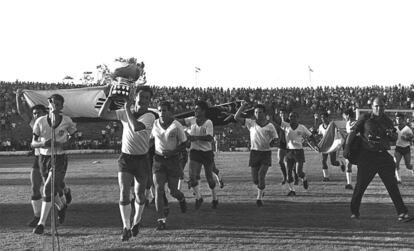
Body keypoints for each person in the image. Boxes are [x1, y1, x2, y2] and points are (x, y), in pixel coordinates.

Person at [98, 86, 155, 241]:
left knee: (139, 194)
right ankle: (126, 227)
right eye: (141, 96)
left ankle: (136, 221)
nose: (143, 100)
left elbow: (136, 127)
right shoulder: (126, 111)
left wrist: (126, 108)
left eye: (146, 98)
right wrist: (109, 98)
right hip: (126, 158)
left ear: (149, 101)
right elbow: (102, 114)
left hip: (142, 159)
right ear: (135, 97)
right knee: (124, 192)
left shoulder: (150, 116)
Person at [344, 96, 409, 220]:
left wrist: (392, 135)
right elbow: (352, 132)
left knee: (392, 185)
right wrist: (347, 147)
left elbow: (395, 137)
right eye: (377, 106)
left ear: (384, 107)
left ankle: (401, 211)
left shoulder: (388, 120)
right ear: (372, 107)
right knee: (360, 186)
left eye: (382, 106)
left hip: (383, 156)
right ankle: (354, 211)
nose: (379, 108)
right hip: (367, 156)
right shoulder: (365, 118)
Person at [16, 90, 73, 227]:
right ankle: (38, 216)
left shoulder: (58, 120)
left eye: (38, 113)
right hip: (40, 158)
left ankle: (64, 194)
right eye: (34, 114)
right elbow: (22, 112)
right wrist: (18, 97)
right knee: (36, 187)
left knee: (54, 187)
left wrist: (64, 143)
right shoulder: (36, 123)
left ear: (44, 111)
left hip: (56, 157)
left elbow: (71, 135)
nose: (35, 116)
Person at [31, 94, 77, 234]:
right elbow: (33, 143)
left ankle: (41, 224)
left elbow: (73, 138)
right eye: (53, 103)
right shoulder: (40, 121)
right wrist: (43, 143)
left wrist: (64, 144)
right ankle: (62, 207)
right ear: (49, 104)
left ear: (62, 106)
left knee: (47, 189)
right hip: (43, 158)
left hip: (59, 158)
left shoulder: (67, 121)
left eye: (58, 104)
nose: (55, 106)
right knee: (52, 190)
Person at [151, 101, 188, 230]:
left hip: (173, 160)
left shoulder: (176, 125)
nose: (162, 113)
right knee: (158, 189)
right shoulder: (154, 124)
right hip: (158, 160)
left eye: (164, 110)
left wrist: (173, 151)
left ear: (170, 111)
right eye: (160, 110)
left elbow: (184, 143)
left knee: (173, 191)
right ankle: (161, 220)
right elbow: (150, 140)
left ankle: (182, 198)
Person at [234, 101, 278, 206]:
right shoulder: (251, 123)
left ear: (265, 113)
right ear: (254, 113)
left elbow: (276, 138)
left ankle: (259, 198)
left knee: (261, 175)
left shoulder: (270, 126)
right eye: (257, 112)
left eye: (261, 112)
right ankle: (261, 190)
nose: (259, 114)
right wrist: (242, 106)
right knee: (255, 180)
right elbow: (236, 117)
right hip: (254, 153)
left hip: (265, 153)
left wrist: (274, 142)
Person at [179, 100, 218, 209]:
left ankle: (215, 197)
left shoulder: (208, 122)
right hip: (195, 151)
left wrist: (195, 138)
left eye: (197, 109)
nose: (195, 111)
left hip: (206, 153)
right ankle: (199, 197)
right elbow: (180, 121)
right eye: (195, 109)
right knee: (193, 176)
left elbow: (210, 137)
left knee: (209, 178)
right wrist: (170, 118)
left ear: (204, 111)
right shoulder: (192, 120)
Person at [283, 111, 314, 196]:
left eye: (294, 116)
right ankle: (292, 190)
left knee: (298, 172)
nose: (292, 118)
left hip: (299, 151)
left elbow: (311, 136)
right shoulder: (286, 126)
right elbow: (276, 120)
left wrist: (316, 145)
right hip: (289, 151)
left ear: (297, 118)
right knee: (288, 173)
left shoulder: (302, 127)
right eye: (290, 116)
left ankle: (304, 178)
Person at [317, 112, 345, 182]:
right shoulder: (320, 126)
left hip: (332, 145)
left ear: (327, 117)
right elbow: (320, 136)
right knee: (323, 161)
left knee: (333, 162)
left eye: (324, 117)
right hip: (325, 145)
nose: (323, 119)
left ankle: (341, 163)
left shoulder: (332, 125)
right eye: (322, 118)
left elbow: (338, 132)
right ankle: (326, 177)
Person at [273, 108, 299, 185]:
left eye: (284, 113)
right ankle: (285, 177)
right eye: (281, 113)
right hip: (281, 143)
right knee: (280, 161)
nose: (282, 115)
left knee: (292, 163)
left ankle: (296, 178)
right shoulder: (280, 122)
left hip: (290, 144)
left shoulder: (290, 122)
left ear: (287, 115)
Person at [394, 113, 413, 184]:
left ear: (403, 119)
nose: (398, 120)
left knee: (408, 166)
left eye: (400, 119)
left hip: (406, 149)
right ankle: (399, 179)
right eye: (397, 119)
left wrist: (407, 138)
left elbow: (411, 139)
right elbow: (392, 137)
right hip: (398, 148)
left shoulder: (407, 129)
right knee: (395, 163)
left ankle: (412, 169)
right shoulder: (394, 128)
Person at [343, 109, 356, 190]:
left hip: (356, 145)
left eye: (344, 115)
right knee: (348, 164)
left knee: (360, 164)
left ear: (347, 115)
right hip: (349, 145)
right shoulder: (347, 123)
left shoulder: (356, 123)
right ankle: (349, 183)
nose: (344, 117)